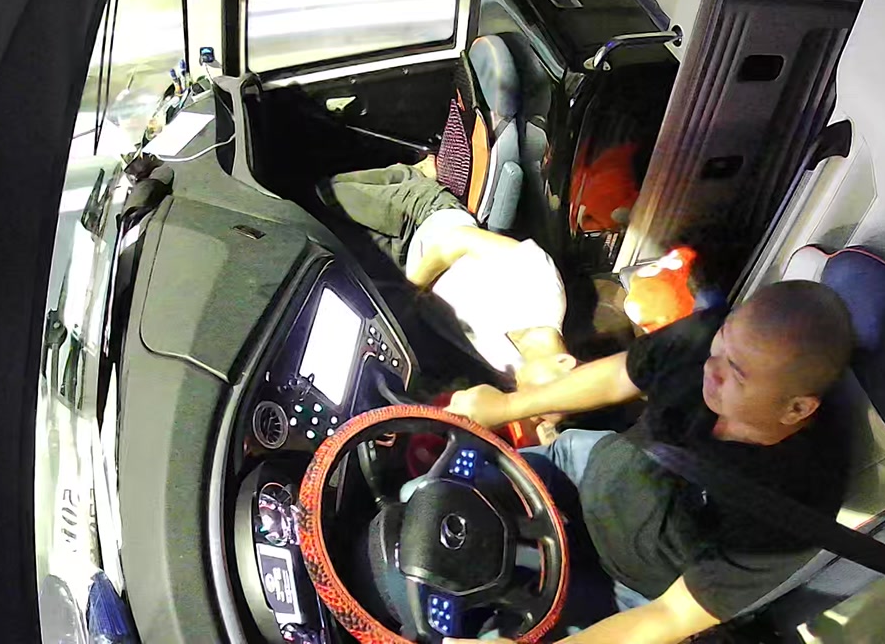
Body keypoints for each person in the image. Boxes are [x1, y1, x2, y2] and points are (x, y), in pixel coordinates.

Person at [444, 280, 855, 644]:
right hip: (579, 470)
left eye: (737, 374)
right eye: (722, 341)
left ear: (797, 409)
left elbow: (671, 615)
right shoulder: (708, 341)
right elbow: (622, 374)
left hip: (625, 589)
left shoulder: (794, 510)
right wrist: (507, 406)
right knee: (437, 500)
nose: (711, 366)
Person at [316, 162, 577, 391]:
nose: (532, 401)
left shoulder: (512, 368)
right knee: (328, 193)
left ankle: (407, 176)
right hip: (425, 218)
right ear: (563, 362)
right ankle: (413, 175)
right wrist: (410, 291)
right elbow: (459, 240)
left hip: (405, 265)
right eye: (545, 396)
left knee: (334, 247)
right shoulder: (544, 290)